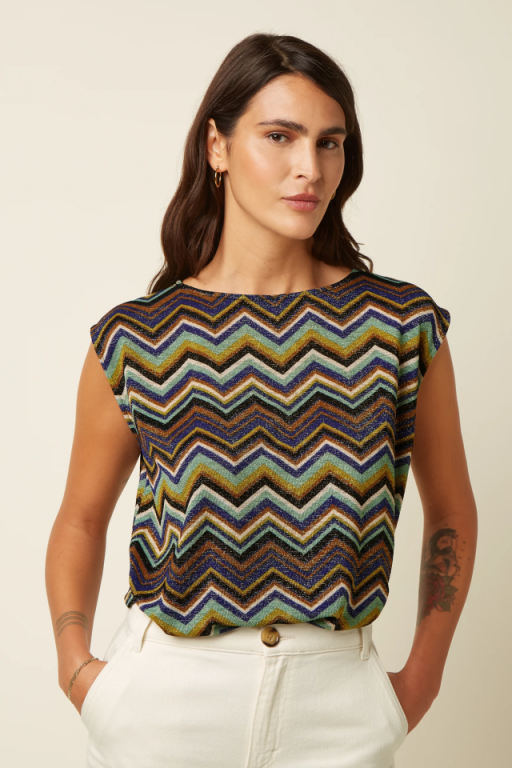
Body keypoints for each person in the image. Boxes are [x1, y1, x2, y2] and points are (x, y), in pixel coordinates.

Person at [45, 32, 478, 768]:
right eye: (280, 137)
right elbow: (80, 519)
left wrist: (421, 681)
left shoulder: (399, 325)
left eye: (330, 142)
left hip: (338, 706)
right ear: (217, 146)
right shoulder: (139, 337)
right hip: (165, 705)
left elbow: (452, 512)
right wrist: (78, 669)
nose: (311, 167)